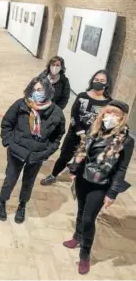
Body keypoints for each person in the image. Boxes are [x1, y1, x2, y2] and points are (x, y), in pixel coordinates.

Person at [65, 100, 134, 275]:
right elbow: (83, 151)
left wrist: (112, 193)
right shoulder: (95, 130)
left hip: (101, 183)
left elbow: (121, 169)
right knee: (80, 210)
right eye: (108, 113)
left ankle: (85, 254)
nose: (110, 117)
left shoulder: (125, 140)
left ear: (122, 118)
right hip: (83, 178)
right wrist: (74, 169)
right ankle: (77, 237)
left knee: (89, 219)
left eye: (116, 114)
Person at [0, 75, 65, 223]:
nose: (37, 93)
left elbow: (57, 136)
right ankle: (2, 202)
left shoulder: (56, 113)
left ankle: (22, 205)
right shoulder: (21, 105)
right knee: (10, 178)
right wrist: (9, 142)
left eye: (40, 89)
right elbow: (7, 123)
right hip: (17, 150)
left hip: (37, 154)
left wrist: (47, 152)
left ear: (47, 91)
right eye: (34, 89)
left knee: (29, 181)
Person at [40, 70, 112, 186]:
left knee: (85, 160)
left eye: (102, 81)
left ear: (107, 83)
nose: (98, 82)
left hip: (93, 138)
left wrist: (94, 136)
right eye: (96, 80)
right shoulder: (82, 96)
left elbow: (106, 121)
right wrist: (81, 133)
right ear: (92, 80)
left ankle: (78, 180)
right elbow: (74, 115)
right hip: (75, 134)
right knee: (64, 156)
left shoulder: (109, 103)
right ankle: (54, 175)